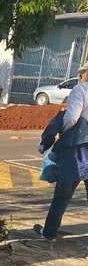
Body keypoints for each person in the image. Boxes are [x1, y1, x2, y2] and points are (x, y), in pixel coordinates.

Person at [34, 62, 88, 240]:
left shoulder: (81, 90)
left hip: (77, 151)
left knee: (62, 195)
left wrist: (63, 130)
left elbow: (72, 116)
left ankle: (49, 232)